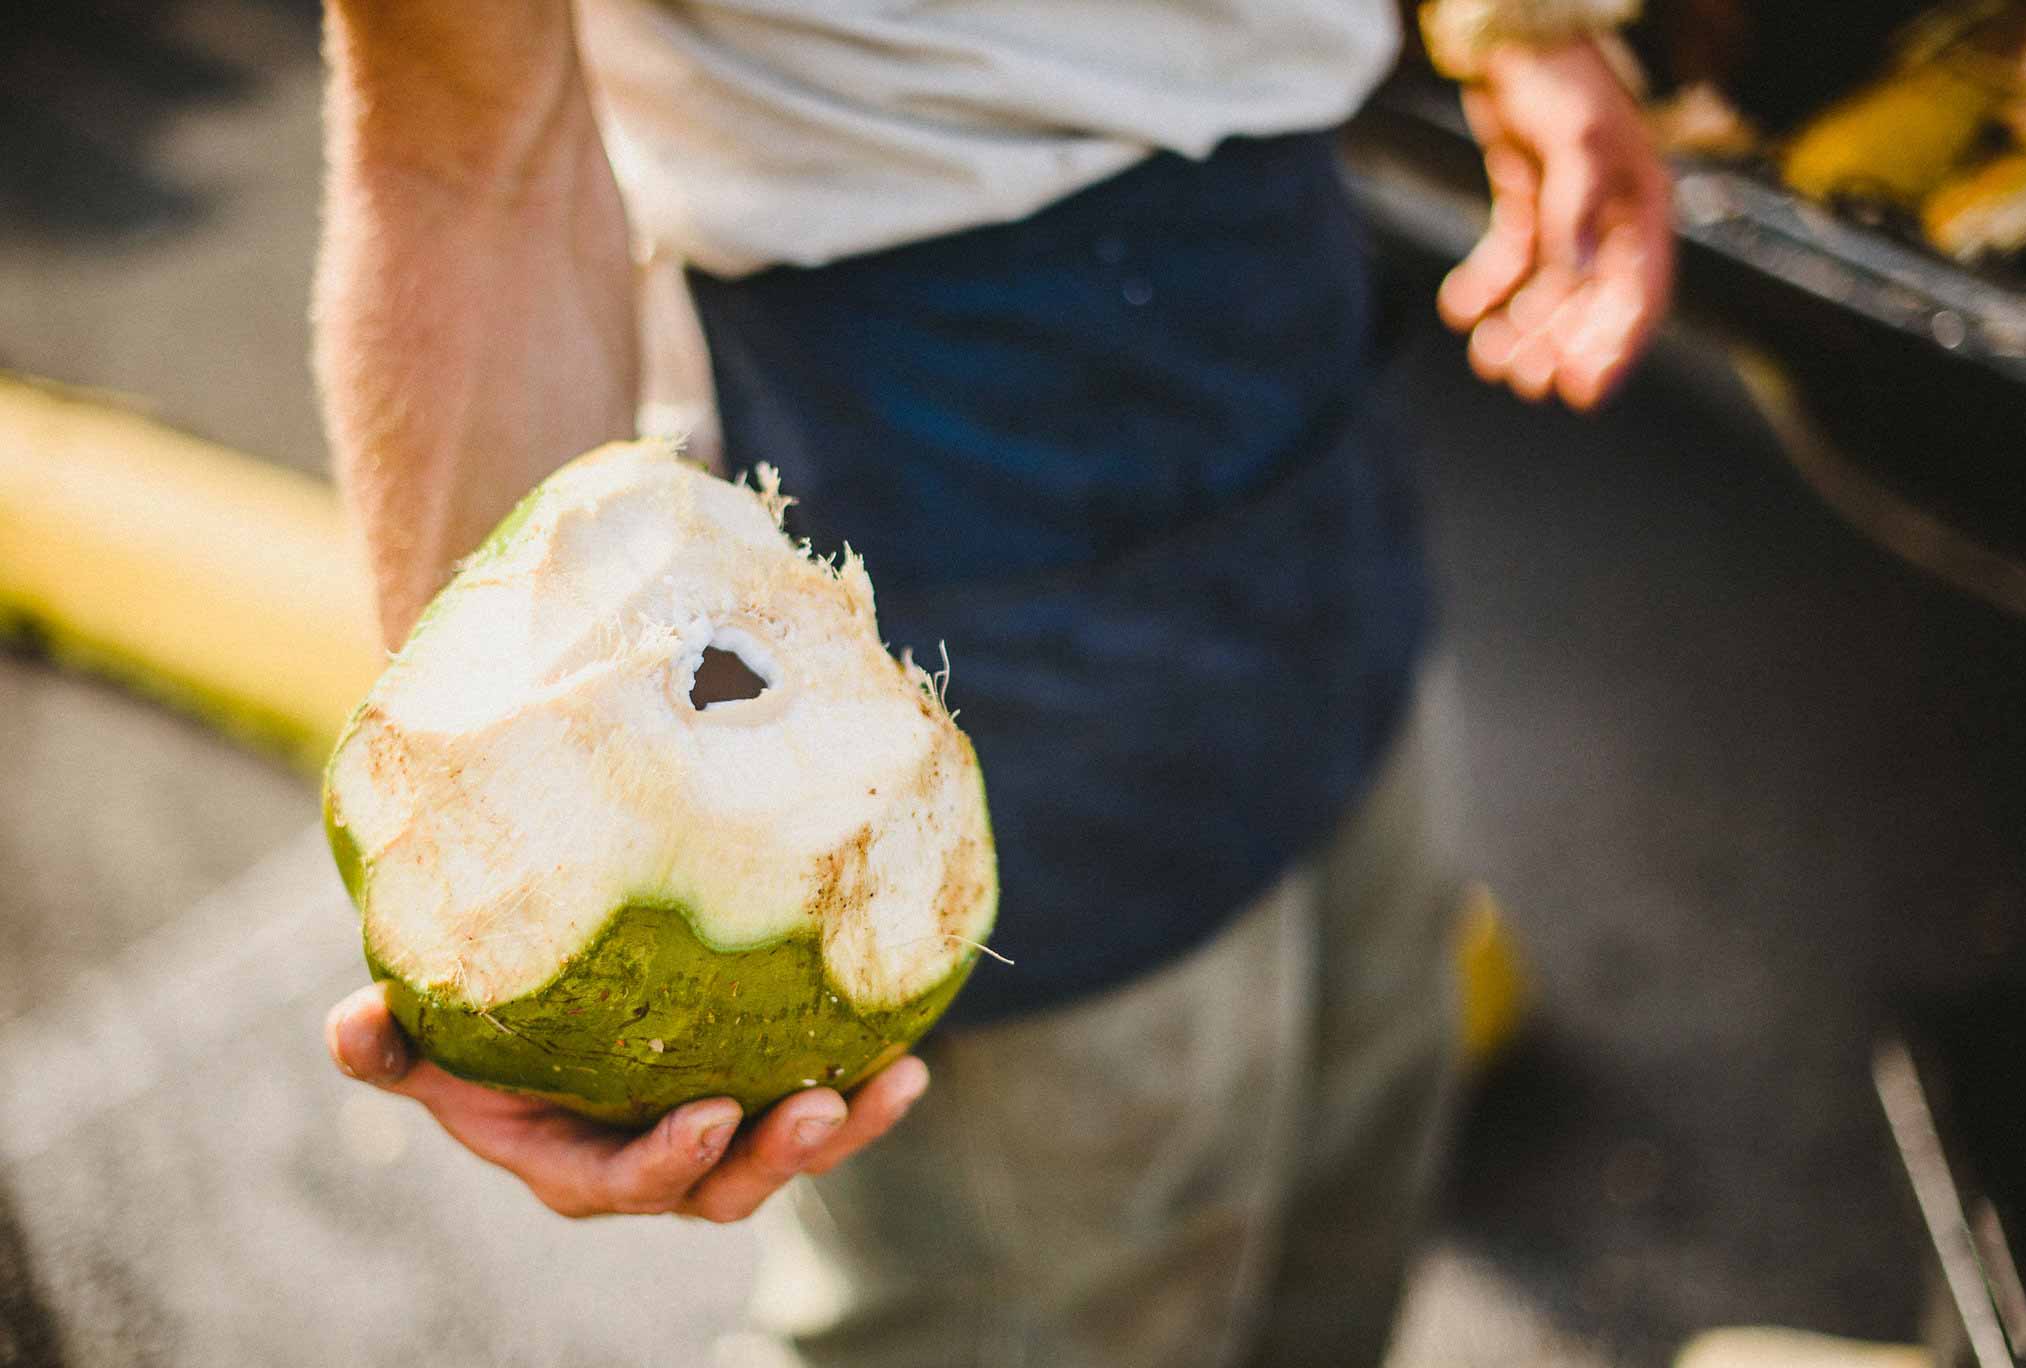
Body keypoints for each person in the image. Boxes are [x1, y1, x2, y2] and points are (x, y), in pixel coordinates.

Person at [315, 0, 1673, 1362]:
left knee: (1354, 1180)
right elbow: (469, 159)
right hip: (934, 440)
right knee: (1053, 1298)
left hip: (1298, 326)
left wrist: (1515, 25)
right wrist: (500, 874)